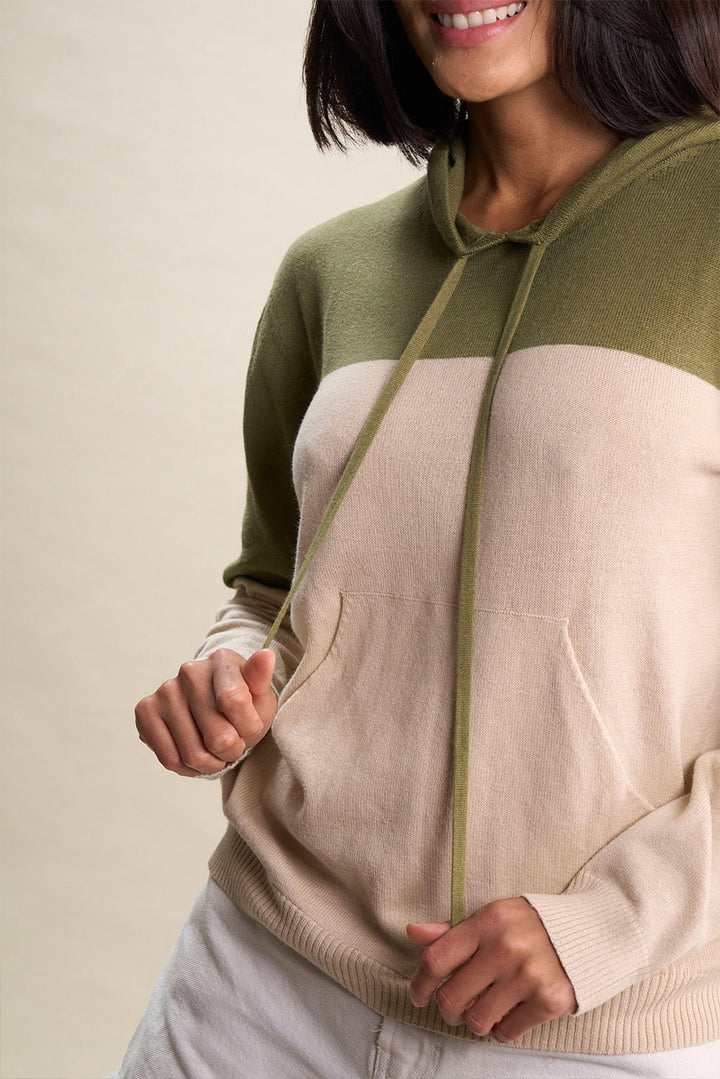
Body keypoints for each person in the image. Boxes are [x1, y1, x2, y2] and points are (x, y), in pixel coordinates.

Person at [110, 1, 720, 1076]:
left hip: (592, 1021)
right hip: (257, 978)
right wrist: (226, 676)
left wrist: (611, 924)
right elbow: (272, 587)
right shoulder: (331, 268)